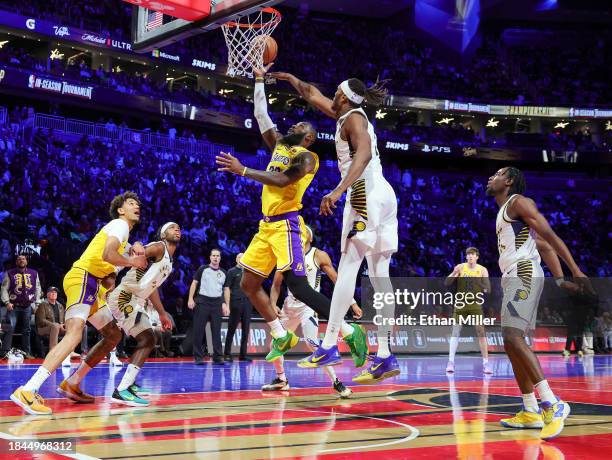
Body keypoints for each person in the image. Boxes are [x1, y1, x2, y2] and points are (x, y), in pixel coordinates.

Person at [215, 65, 367, 366]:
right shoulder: (281, 147)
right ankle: (281, 334)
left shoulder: (308, 158)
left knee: (298, 287)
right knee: (247, 284)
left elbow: (284, 181)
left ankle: (349, 331)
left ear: (309, 138)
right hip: (266, 227)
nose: (294, 126)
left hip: (287, 225)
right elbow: (262, 115)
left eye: (301, 127)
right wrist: (259, 78)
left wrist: (243, 169)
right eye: (295, 124)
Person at [270, 71, 399, 383]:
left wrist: (339, 190)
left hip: (362, 193)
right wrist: (289, 77)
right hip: (384, 195)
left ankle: (328, 344)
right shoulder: (346, 113)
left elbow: (365, 153)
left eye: (336, 93)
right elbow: (312, 92)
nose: (331, 98)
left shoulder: (353, 118)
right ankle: (384, 354)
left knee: (350, 266)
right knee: (381, 277)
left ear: (342, 96)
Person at [10, 192, 147, 415]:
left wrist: (129, 256)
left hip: (93, 287)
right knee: (74, 334)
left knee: (113, 335)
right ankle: (28, 390)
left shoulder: (124, 238)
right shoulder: (119, 224)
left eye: (138, 203)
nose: (136, 205)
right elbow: (108, 253)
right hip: (83, 278)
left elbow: (109, 273)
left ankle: (73, 383)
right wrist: (132, 261)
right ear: (121, 210)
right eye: (131, 203)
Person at [486, 166, 589, 440]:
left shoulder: (518, 202)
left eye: (497, 174)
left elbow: (551, 236)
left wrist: (575, 270)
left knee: (513, 336)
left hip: (523, 273)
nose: (490, 177)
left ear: (508, 181)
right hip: (513, 275)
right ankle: (530, 409)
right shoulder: (505, 211)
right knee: (510, 342)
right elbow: (542, 244)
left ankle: (551, 403)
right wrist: (557, 280)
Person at [264, 226, 361, 398]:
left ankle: (337, 382)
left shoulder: (318, 255)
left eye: (304, 231)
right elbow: (276, 285)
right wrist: (272, 304)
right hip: (289, 307)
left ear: (310, 237)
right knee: (274, 345)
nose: (300, 232)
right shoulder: (287, 255)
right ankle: (281, 380)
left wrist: (353, 304)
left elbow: (337, 281)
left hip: (308, 306)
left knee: (312, 343)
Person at [106, 222, 178, 406]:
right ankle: (122, 390)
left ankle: (128, 385)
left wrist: (162, 313)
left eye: (178, 228)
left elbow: (152, 288)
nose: (177, 230)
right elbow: (135, 252)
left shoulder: (168, 260)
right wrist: (111, 273)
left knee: (148, 339)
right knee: (147, 339)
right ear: (163, 234)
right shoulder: (158, 247)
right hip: (125, 296)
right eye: (172, 228)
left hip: (136, 299)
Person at [444, 247, 493, 374]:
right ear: (466, 257)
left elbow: (488, 289)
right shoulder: (460, 267)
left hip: (475, 303)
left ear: (477, 257)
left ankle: (486, 364)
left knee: (480, 331)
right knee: (455, 330)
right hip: (461, 303)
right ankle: (450, 362)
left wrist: (479, 283)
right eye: (468, 254)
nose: (470, 256)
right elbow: (446, 283)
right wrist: (454, 273)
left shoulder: (482, 270)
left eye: (473, 254)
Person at [188, 249, 228, 365]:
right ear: (210, 257)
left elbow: (225, 290)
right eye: (213, 255)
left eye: (218, 256)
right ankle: (198, 357)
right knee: (199, 330)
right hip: (202, 301)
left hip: (217, 303)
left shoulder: (224, 272)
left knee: (216, 331)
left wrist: (225, 304)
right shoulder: (203, 269)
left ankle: (218, 357)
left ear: (220, 258)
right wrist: (190, 298)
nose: (215, 258)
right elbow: (194, 283)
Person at [1, 254, 42, 358]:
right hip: (13, 306)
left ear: (26, 261)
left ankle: (27, 353)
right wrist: (7, 302)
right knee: (10, 328)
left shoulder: (34, 273)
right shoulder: (10, 273)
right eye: (19, 259)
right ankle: (5, 352)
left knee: (27, 330)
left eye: (23, 259)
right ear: (16, 262)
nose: (21, 260)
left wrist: (37, 303)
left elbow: (38, 288)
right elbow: (4, 289)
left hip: (27, 306)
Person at [223, 253, 253, 362]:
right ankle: (227, 354)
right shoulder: (231, 272)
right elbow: (226, 288)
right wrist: (227, 304)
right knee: (231, 328)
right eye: (240, 257)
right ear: (236, 259)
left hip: (248, 303)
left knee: (246, 330)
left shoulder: (249, 272)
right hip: (236, 303)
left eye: (244, 257)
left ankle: (243, 355)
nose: (242, 259)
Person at [35, 286, 66, 354]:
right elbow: (41, 320)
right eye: (51, 292)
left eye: (55, 292)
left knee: (70, 330)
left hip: (59, 327)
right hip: (43, 329)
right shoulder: (42, 305)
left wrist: (64, 325)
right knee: (55, 326)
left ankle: (69, 351)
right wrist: (55, 325)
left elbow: (64, 319)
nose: (54, 294)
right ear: (47, 294)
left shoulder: (60, 306)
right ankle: (53, 351)